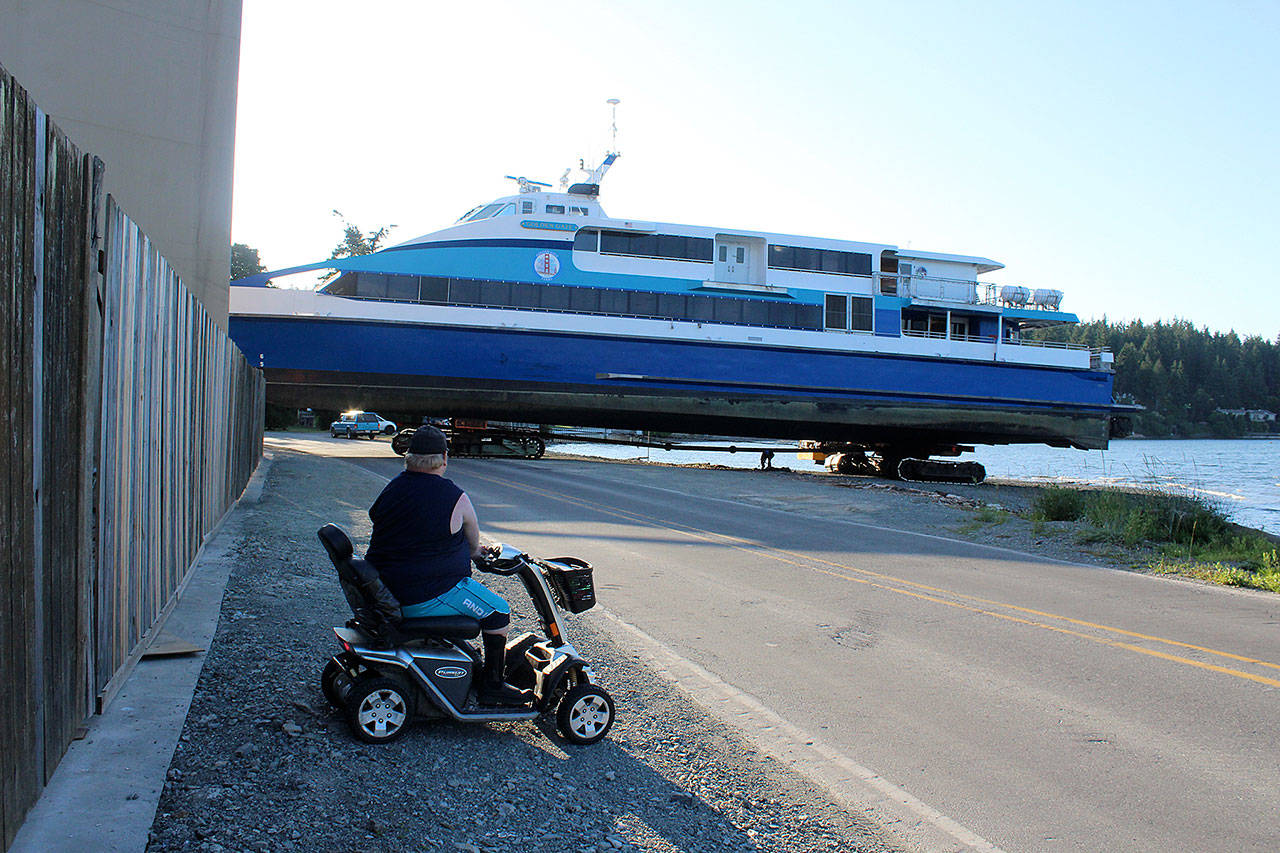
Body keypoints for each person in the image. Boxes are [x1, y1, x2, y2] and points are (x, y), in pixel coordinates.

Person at [365, 425, 528, 705]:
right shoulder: (455, 497)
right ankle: (492, 685)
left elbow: (383, 522)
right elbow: (475, 546)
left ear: (409, 456)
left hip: (385, 590)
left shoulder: (392, 489)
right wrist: (477, 553)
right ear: (443, 457)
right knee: (499, 612)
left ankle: (470, 664)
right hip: (426, 594)